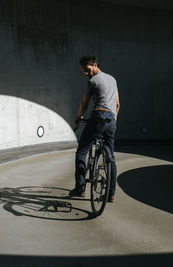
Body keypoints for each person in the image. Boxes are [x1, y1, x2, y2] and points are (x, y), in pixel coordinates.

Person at [69, 55, 120, 202]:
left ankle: (80, 188)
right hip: (111, 120)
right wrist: (113, 121)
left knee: (81, 151)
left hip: (98, 116)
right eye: (84, 71)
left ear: (95, 65)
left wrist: (79, 116)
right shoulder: (112, 79)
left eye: (87, 70)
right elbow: (117, 104)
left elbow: (85, 103)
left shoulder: (93, 81)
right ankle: (110, 194)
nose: (86, 73)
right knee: (111, 157)